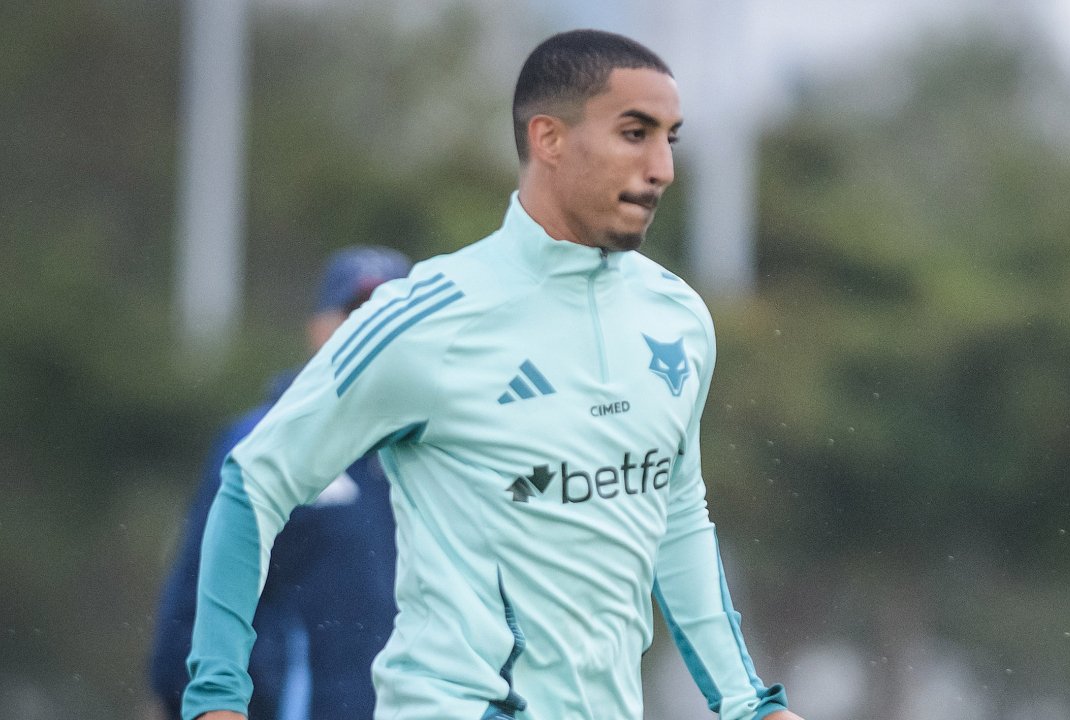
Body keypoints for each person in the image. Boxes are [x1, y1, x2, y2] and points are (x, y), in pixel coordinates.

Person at [183, 29, 803, 720]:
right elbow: (253, 481)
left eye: (671, 139)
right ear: (549, 139)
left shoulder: (678, 317)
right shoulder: (423, 318)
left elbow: (678, 519)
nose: (662, 167)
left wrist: (749, 703)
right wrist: (216, 697)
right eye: (635, 133)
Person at [150, 246, 413, 720]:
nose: (371, 329)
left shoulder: (437, 447)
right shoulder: (260, 442)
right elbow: (197, 596)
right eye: (354, 313)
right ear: (317, 328)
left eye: (389, 314)